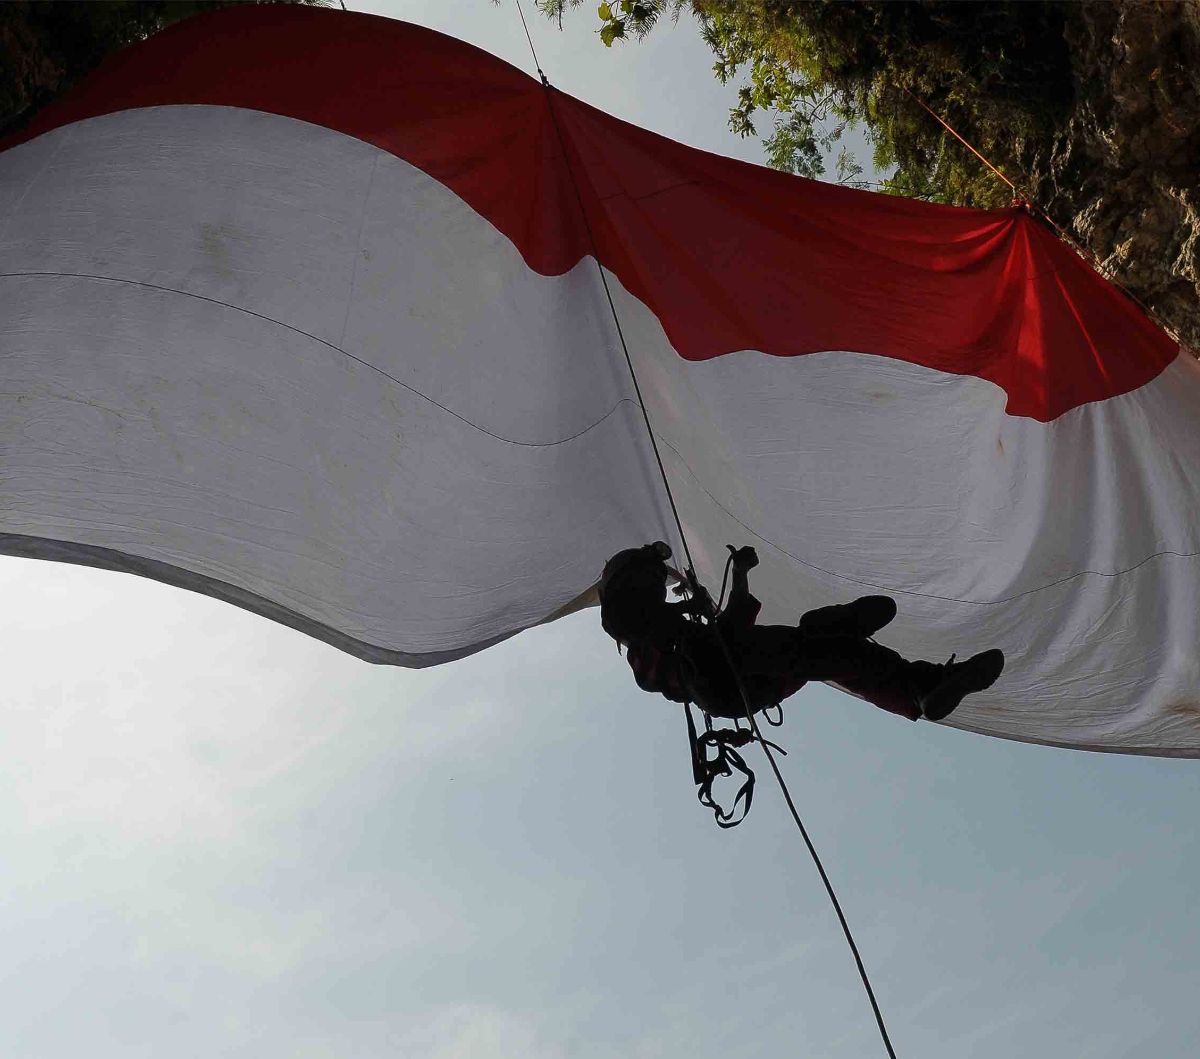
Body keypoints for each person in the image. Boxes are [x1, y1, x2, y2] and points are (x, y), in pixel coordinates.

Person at [598, 541, 1004, 723]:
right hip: (728, 678)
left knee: (826, 647)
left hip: (748, 678)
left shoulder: (680, 636)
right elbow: (649, 627)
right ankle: (919, 684)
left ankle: (918, 689)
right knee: (833, 652)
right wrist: (692, 611)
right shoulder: (639, 631)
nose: (657, 585)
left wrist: (738, 576)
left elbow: (734, 626)